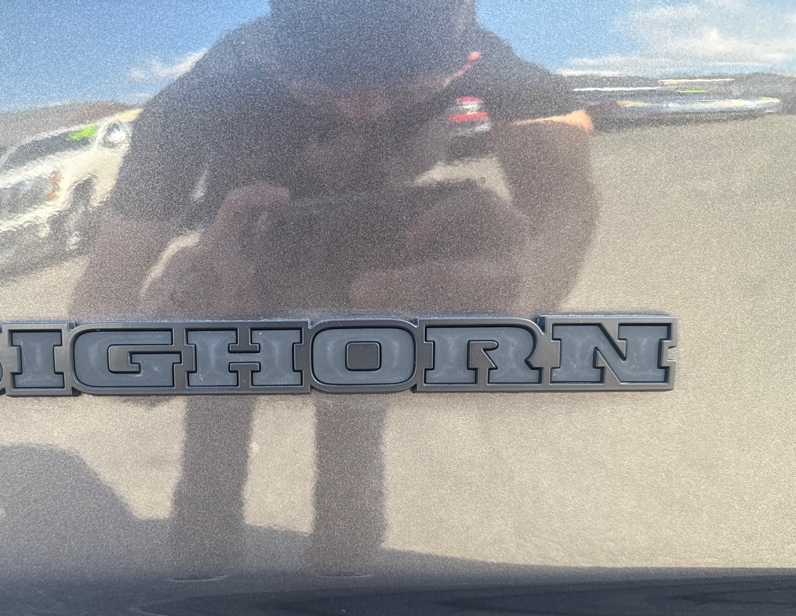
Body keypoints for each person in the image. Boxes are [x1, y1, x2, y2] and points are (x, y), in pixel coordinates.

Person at [73, 0, 598, 574]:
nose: (365, 112)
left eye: (406, 90)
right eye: (323, 93)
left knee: (352, 432)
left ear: (461, 61)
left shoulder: (486, 60)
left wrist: (519, 291)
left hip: (362, 277)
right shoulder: (202, 93)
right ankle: (207, 561)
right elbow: (100, 313)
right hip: (236, 278)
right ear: (272, 60)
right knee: (217, 430)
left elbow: (562, 205)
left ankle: (342, 566)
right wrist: (168, 320)